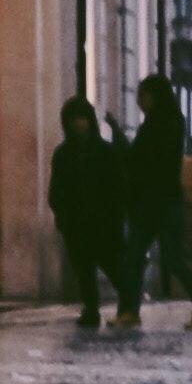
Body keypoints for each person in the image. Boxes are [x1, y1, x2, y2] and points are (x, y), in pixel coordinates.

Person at [120, 70, 192, 327]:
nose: (138, 100)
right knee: (136, 255)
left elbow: (147, 159)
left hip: (162, 200)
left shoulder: (166, 123)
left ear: (154, 96)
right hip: (152, 200)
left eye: (142, 95)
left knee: (171, 259)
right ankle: (129, 311)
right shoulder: (158, 122)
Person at [50, 94, 126, 331]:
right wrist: (62, 216)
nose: (78, 124)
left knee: (113, 266)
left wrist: (116, 216)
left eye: (82, 118)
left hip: (104, 221)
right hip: (76, 221)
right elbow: (57, 189)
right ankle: (91, 309)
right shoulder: (63, 154)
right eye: (73, 119)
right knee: (84, 269)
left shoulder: (106, 152)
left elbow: (117, 187)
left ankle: (127, 307)